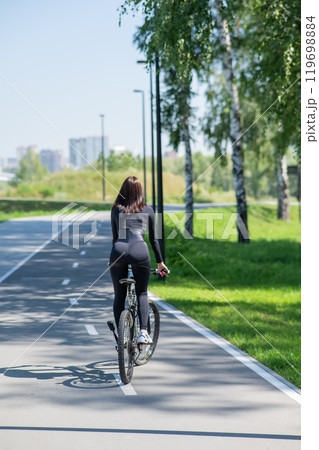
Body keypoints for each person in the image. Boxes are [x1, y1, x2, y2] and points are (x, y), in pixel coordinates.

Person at [109, 176, 169, 344]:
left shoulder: (116, 210)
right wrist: (160, 263)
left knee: (119, 296)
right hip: (139, 250)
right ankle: (143, 332)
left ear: (122, 191)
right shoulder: (147, 210)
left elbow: (115, 239)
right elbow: (154, 240)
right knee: (142, 292)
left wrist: (113, 261)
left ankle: (121, 337)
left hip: (118, 251)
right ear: (140, 192)